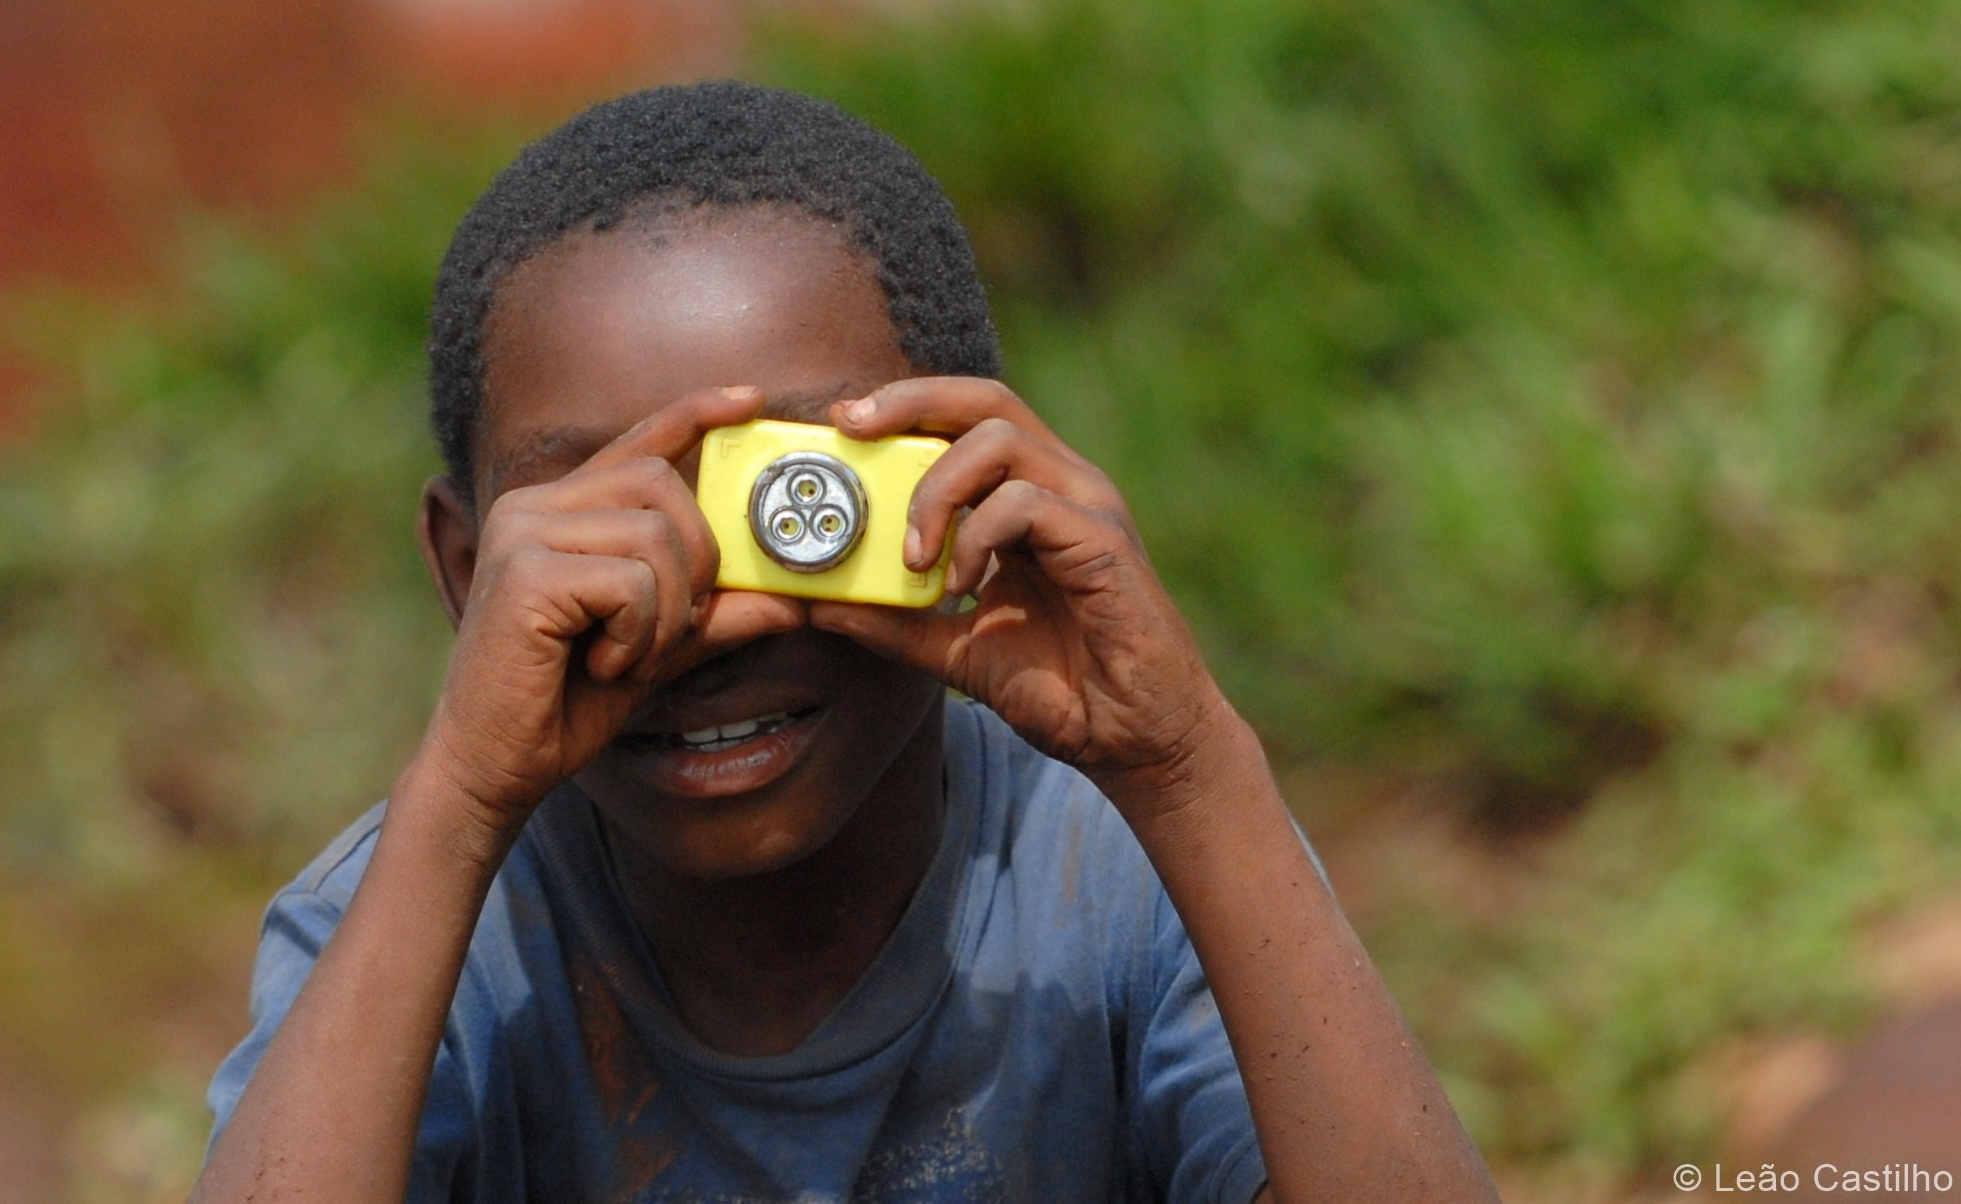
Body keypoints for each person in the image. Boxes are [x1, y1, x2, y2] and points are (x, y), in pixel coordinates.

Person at [191, 81, 1499, 1203]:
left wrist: (1190, 764)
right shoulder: (424, 925)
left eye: (800, 514)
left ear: (971, 493)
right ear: (472, 570)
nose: (713, 622)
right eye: (613, 529)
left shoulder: (1122, 873)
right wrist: (459, 800)